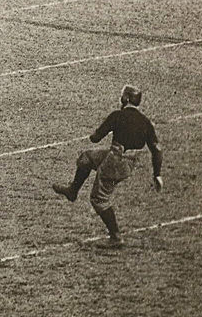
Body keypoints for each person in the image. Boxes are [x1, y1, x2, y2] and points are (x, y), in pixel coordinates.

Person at [52, 85, 164, 249]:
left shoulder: (117, 116)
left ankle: (116, 236)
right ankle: (72, 191)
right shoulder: (146, 122)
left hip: (115, 160)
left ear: (125, 99)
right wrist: (157, 175)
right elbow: (157, 150)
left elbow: (96, 138)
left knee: (99, 198)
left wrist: (95, 133)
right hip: (130, 162)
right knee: (86, 158)